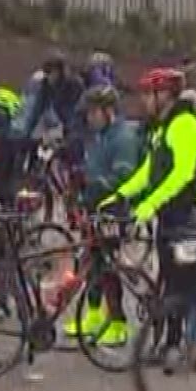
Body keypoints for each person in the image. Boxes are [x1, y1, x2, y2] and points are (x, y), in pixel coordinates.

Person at [104, 67, 196, 326]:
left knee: (182, 283)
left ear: (164, 95)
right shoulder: (163, 127)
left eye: (148, 94)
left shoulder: (184, 124)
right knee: (168, 279)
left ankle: (188, 340)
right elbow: (149, 171)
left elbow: (183, 174)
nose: (144, 100)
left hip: (188, 214)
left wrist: (150, 203)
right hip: (170, 213)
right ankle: (170, 338)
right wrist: (120, 195)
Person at [68, 84, 142, 346]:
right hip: (95, 208)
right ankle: (94, 315)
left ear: (108, 111)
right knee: (93, 265)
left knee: (108, 268)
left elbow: (123, 175)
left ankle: (118, 323)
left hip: (113, 211)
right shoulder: (100, 135)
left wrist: (94, 183)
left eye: (93, 112)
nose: (89, 118)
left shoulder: (123, 137)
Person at [24, 52, 83, 139]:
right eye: (46, 72)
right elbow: (37, 109)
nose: (49, 77)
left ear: (59, 71)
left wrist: (68, 130)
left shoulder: (74, 84)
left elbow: (74, 110)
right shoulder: (45, 85)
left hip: (69, 122)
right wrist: (27, 133)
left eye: (50, 72)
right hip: (54, 120)